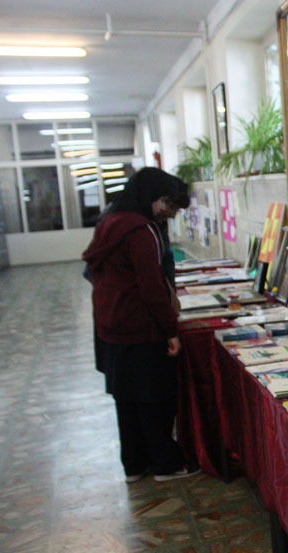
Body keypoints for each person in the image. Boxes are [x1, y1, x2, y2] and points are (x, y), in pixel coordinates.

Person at [82, 167, 197, 483]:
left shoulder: (110, 223)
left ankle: (134, 465)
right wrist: (170, 330)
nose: (167, 212)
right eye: (166, 203)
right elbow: (152, 286)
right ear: (152, 197)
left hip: (111, 322)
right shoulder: (140, 230)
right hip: (140, 325)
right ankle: (165, 464)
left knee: (127, 398)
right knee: (153, 397)